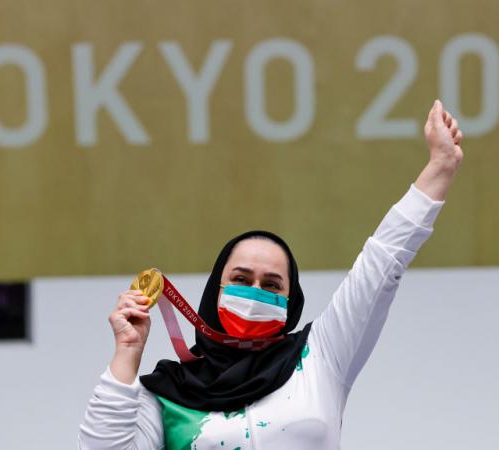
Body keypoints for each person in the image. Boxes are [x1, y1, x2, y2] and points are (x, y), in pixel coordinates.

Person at [79, 99, 464, 449]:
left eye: (272, 285)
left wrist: (440, 168)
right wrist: (127, 353)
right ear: (216, 290)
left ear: (290, 301)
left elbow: (381, 264)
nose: (255, 293)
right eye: (242, 280)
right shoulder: (165, 396)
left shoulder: (321, 357)